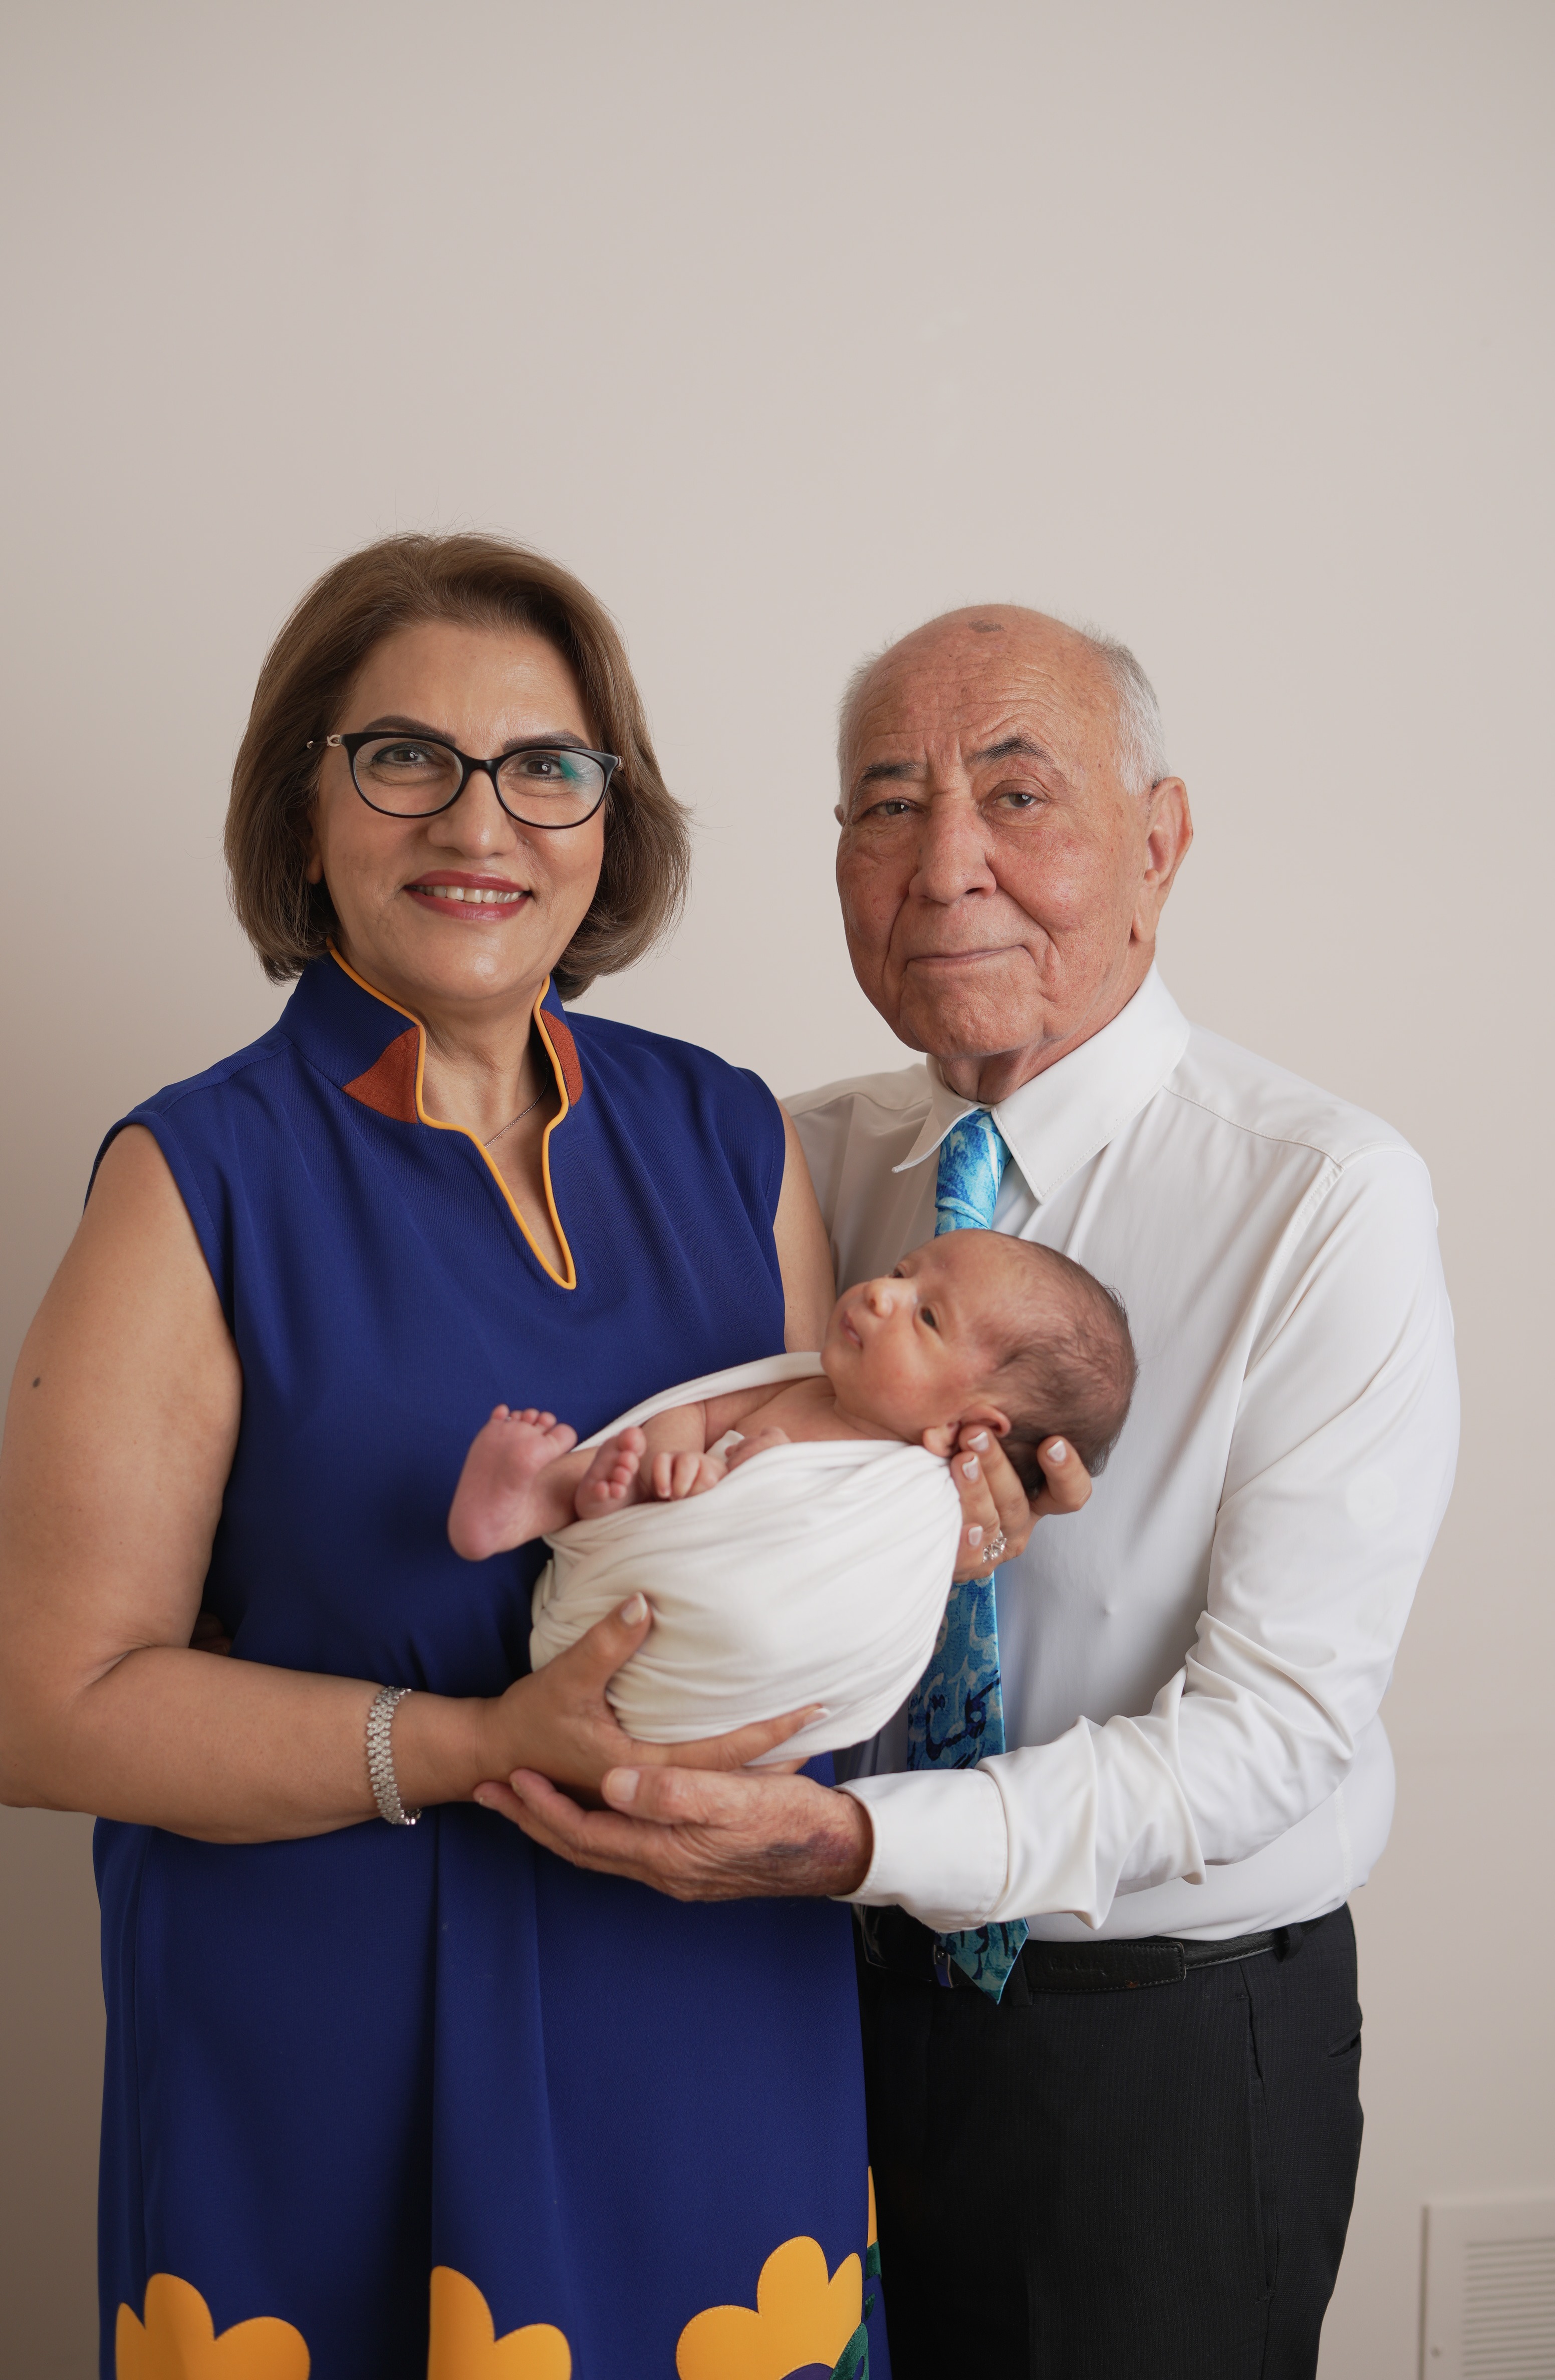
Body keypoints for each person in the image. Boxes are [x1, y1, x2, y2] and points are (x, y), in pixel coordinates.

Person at [0, 535, 1002, 2380]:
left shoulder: (724, 1132)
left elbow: (810, 1508)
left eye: (545, 766)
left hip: (707, 2009)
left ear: (611, 817)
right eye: (404, 758)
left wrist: (937, 1524)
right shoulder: (194, 1179)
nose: (481, 820)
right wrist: (471, 1745)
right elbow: (49, 1714)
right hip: (330, 2060)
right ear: (304, 812)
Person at [482, 605, 1460, 2376]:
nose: (944, 868)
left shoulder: (1324, 1200)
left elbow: (1278, 1731)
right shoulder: (778, 1160)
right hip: (772, 2009)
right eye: (885, 806)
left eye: (1018, 795)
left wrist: (863, 1845)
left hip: (1142, 2053)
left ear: (1158, 843)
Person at [449, 1230, 1135, 1768]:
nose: (880, 1294)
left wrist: (753, 1488)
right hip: (625, 1560)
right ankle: (516, 1512)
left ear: (971, 1428)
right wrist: (666, 1465)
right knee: (611, 1465)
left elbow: (849, 1629)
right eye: (900, 1273)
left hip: (709, 1672)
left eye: (926, 1316)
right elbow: (698, 1411)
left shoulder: (918, 1513)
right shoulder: (809, 1383)